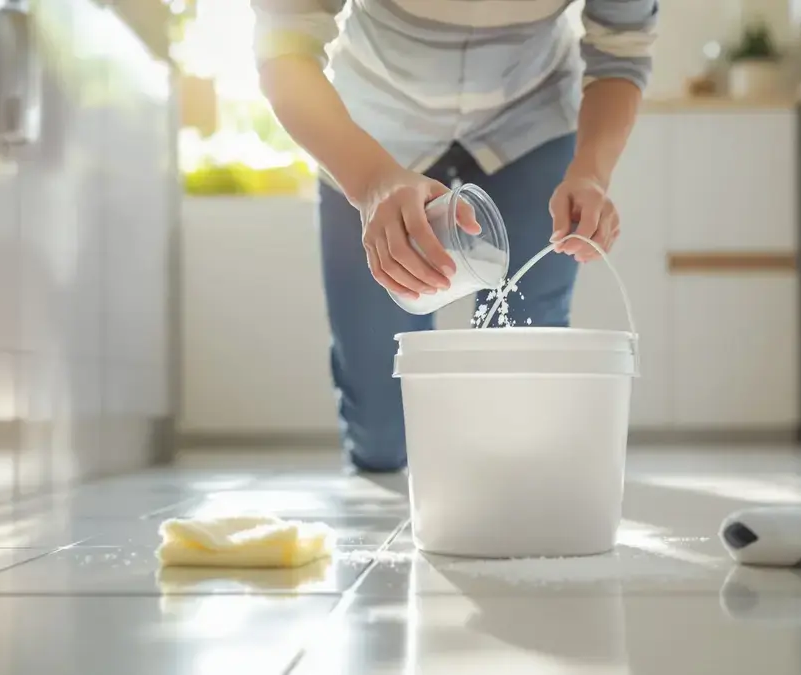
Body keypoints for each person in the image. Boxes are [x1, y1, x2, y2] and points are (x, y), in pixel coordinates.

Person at [253, 0, 658, 473]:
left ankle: (508, 484)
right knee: (380, 431)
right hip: (369, 129)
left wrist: (591, 173)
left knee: (522, 375)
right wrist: (371, 181)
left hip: (531, 123)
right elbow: (283, 45)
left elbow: (622, 50)